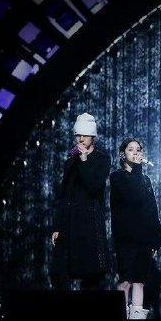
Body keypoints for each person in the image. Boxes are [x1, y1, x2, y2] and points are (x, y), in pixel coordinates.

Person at [50, 113, 111, 290]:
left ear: (93, 136)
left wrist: (84, 161)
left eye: (85, 135)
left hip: (90, 221)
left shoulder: (102, 159)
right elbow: (64, 195)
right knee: (60, 272)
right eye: (78, 135)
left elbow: (93, 186)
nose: (81, 139)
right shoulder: (70, 161)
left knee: (91, 275)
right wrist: (58, 226)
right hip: (70, 221)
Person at [110, 138, 161, 320]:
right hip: (125, 238)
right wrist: (138, 170)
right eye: (131, 149)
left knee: (139, 282)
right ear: (122, 154)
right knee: (125, 281)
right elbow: (132, 197)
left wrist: (156, 239)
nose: (135, 152)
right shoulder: (117, 177)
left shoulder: (146, 180)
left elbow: (152, 209)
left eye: (138, 149)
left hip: (144, 239)